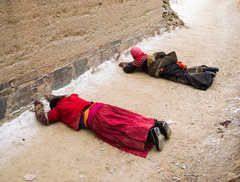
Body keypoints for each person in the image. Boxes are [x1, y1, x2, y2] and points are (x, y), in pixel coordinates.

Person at [34, 93, 172, 158]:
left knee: (121, 128)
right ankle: (158, 124)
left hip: (95, 119)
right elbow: (63, 95)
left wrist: (38, 105)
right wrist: (49, 96)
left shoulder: (58, 110)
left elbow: (45, 119)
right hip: (102, 107)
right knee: (128, 117)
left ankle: (150, 134)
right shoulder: (72, 97)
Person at [119, 46, 219, 91]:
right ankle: (205, 69)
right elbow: (133, 64)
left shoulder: (138, 60)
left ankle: (207, 77)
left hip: (164, 69)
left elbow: (128, 69)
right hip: (168, 64)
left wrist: (123, 65)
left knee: (183, 77)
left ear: (134, 55)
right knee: (185, 70)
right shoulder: (145, 56)